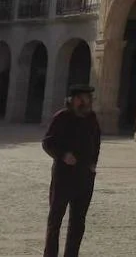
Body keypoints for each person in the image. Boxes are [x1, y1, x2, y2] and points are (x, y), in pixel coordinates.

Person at [41, 84, 101, 257]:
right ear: (73, 100)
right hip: (63, 177)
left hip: (84, 177)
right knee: (55, 220)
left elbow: (96, 143)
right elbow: (47, 142)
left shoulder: (92, 118)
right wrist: (63, 155)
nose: (86, 102)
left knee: (78, 222)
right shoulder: (62, 117)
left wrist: (93, 164)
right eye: (82, 98)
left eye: (88, 99)